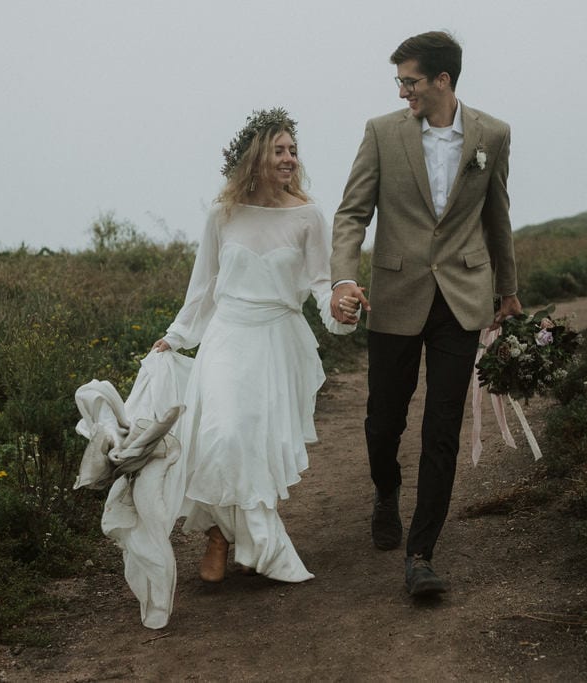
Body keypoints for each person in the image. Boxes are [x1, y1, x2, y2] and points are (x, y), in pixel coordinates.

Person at [330, 31, 522, 597]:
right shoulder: (382, 133)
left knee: (442, 427)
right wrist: (344, 277)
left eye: (410, 81)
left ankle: (421, 553)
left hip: (462, 297)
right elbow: (351, 214)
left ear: (443, 80)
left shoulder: (493, 135)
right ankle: (385, 490)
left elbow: (498, 215)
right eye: (399, 82)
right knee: (383, 420)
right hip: (393, 294)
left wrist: (507, 289)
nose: (402, 91)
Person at [153, 108, 358, 584]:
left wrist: (342, 308)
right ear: (255, 157)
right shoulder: (222, 214)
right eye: (279, 150)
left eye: (293, 151)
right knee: (222, 434)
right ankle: (224, 536)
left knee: (254, 443)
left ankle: (230, 537)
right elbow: (203, 286)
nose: (289, 159)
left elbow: (322, 285)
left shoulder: (308, 216)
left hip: (277, 340)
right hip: (227, 335)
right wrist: (178, 336)